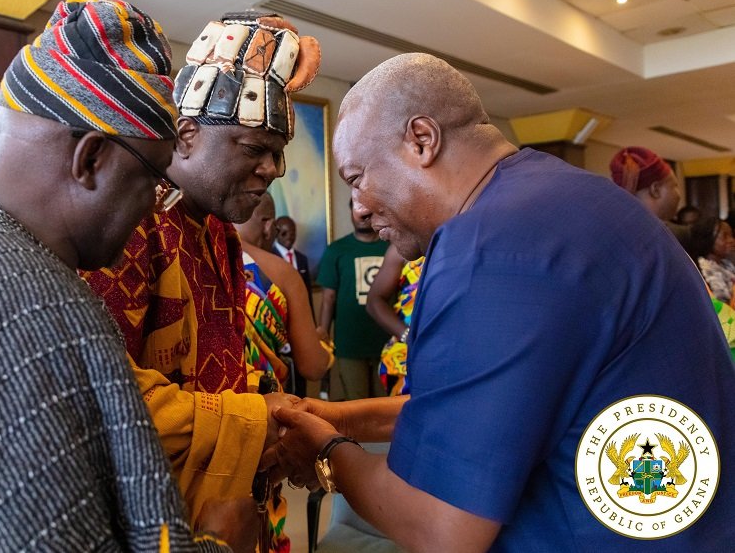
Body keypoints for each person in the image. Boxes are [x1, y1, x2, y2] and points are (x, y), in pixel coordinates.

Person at [264, 53, 735, 551]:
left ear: (422, 141)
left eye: (357, 178)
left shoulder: (485, 249)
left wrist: (323, 450)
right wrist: (340, 418)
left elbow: (440, 527)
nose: (357, 206)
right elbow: (491, 407)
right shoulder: (572, 198)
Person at [0, 0, 253, 552]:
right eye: (153, 178)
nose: (155, 207)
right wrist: (221, 544)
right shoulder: (35, 310)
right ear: (91, 159)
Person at [83, 11, 321, 545]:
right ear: (186, 136)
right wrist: (256, 418)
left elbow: (223, 365)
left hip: (229, 505)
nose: (274, 170)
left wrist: (276, 414)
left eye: (279, 153)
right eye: (255, 148)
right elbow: (107, 402)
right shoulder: (131, 226)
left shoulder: (219, 232)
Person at [236, 192, 332, 394]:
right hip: (260, 406)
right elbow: (313, 367)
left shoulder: (197, 257)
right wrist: (325, 347)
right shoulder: (283, 274)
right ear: (269, 225)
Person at [316, 199, 390, 400]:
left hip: (388, 342)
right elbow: (328, 297)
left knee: (386, 403)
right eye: (358, 209)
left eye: (369, 210)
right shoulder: (337, 250)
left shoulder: (393, 248)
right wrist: (322, 332)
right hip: (349, 344)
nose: (364, 215)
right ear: (351, 212)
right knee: (356, 402)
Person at [365, 243, 424, 396]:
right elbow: (374, 301)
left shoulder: (472, 240)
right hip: (406, 359)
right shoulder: (403, 247)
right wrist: (408, 335)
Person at [609, 146, 686, 241]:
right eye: (675, 185)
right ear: (656, 190)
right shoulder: (655, 240)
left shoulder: (616, 233)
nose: (678, 194)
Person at [686, 216, 735, 304]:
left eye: (731, 235)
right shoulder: (703, 270)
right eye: (725, 236)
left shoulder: (727, 264)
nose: (732, 240)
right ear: (708, 239)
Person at [272, 216, 314, 307]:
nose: (289, 237)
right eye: (284, 233)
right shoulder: (270, 257)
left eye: (292, 233)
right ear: (276, 233)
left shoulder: (302, 259)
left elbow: (308, 293)